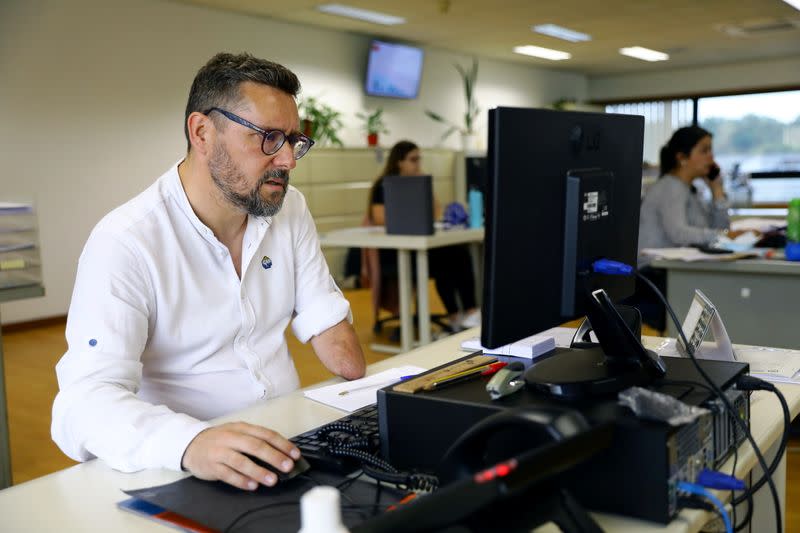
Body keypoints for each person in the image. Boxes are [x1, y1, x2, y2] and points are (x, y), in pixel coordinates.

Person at [51, 52, 366, 491]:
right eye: (268, 138)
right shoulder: (125, 242)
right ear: (202, 132)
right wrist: (189, 442)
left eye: (293, 140)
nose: (288, 161)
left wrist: (374, 402)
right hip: (185, 463)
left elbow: (324, 315)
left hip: (285, 441)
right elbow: (82, 405)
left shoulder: (288, 209)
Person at [366, 141, 480, 331]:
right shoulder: (384, 184)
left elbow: (436, 212)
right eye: (413, 159)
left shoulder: (419, 183)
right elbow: (378, 217)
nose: (418, 163)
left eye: (419, 159)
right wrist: (410, 215)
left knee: (456, 253)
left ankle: (465, 313)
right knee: (448, 259)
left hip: (420, 247)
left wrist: (426, 186)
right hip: (394, 252)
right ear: (399, 162)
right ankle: (461, 313)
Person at [638, 125, 732, 253]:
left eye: (711, 150)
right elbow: (679, 234)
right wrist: (722, 235)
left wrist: (717, 191)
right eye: (704, 151)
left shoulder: (692, 190)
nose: (711, 157)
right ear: (682, 158)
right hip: (654, 268)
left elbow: (719, 229)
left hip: (678, 267)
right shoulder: (670, 187)